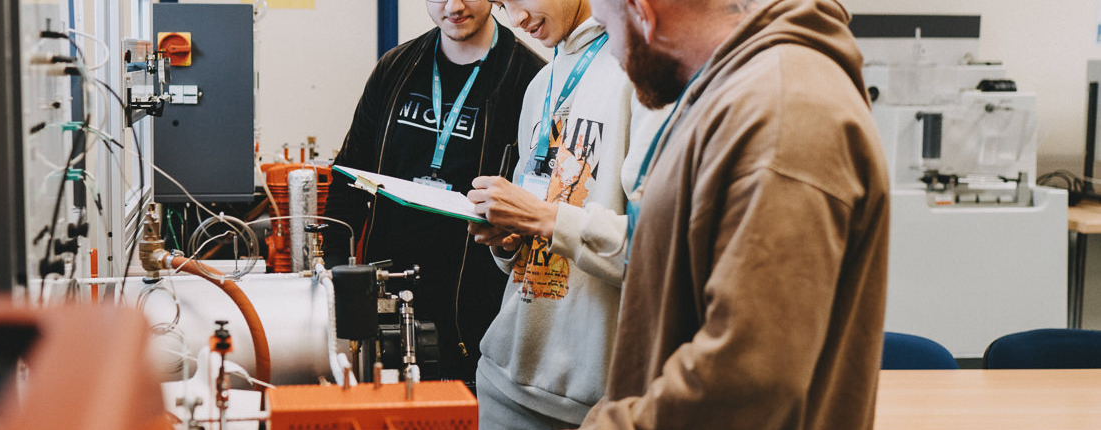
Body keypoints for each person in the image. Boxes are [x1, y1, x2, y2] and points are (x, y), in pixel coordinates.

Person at [575, 0, 890, 428]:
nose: (611, 52)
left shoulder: (782, 112)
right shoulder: (731, 93)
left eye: (606, 28)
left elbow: (746, 379)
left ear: (642, 13)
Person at [463, 0, 664, 428]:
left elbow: (659, 253)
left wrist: (544, 218)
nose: (514, 20)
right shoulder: (540, 84)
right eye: (500, 4)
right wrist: (508, 239)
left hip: (595, 404)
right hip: (502, 379)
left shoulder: (643, 71)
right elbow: (533, 243)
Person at [323, 0, 545, 384]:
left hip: (477, 318)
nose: (453, 6)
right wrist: (333, 275)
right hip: (385, 305)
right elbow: (349, 176)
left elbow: (537, 206)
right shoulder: (395, 68)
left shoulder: (531, 80)